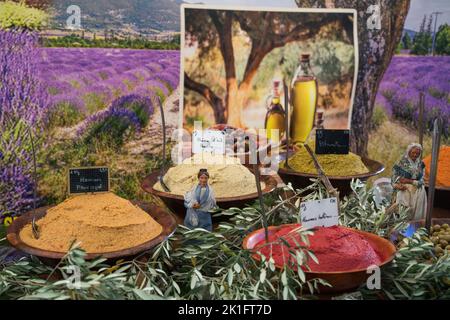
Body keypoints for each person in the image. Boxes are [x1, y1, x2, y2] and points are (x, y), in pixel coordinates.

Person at [392, 143, 427, 220]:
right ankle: (401, 228)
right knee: (403, 211)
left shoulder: (421, 164)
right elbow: (394, 177)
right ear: (408, 152)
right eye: (413, 153)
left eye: (417, 153)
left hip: (418, 192)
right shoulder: (401, 163)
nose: (415, 155)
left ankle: (414, 228)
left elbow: (422, 179)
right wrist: (397, 185)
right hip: (405, 190)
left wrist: (415, 182)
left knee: (416, 213)